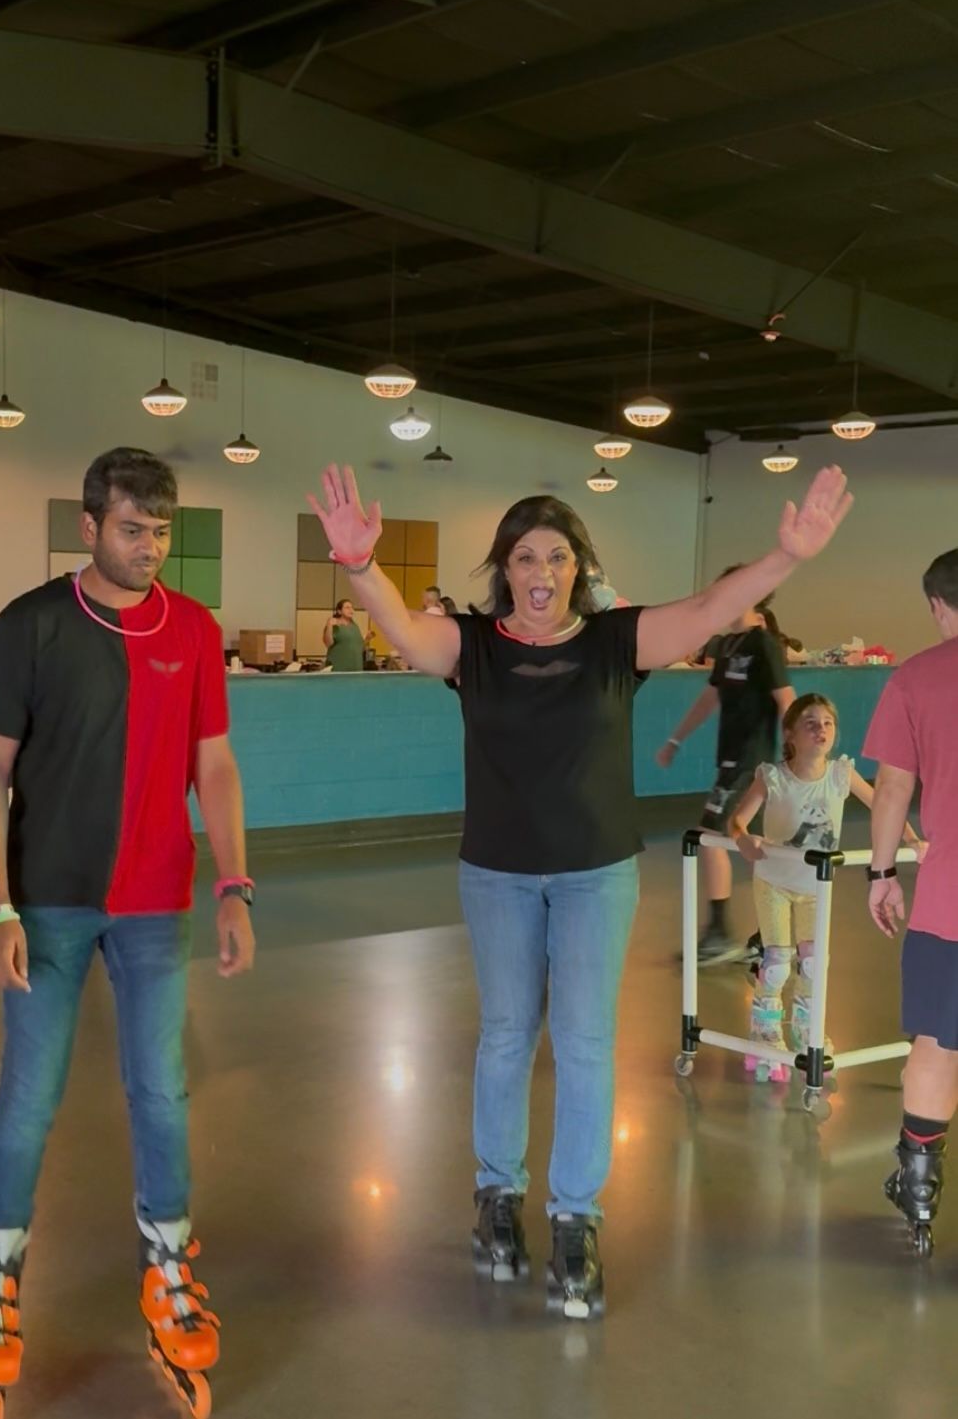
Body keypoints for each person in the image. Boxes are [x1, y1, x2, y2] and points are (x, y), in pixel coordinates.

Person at [307, 461, 852, 1319]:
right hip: (497, 873)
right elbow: (405, 632)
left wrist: (786, 556)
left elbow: (709, 612)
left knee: (587, 1040)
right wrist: (359, 568)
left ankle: (574, 1218)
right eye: (524, 557)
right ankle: (496, 1198)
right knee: (505, 1034)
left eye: (557, 557)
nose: (540, 573)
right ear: (505, 571)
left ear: (578, 569)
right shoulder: (472, 646)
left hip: (595, 871)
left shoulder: (614, 640)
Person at [0, 448, 255, 1419]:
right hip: (45, 903)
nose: (149, 548)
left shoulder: (195, 630)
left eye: (161, 531)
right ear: (87, 526)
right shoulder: (34, 627)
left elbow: (214, 765)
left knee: (161, 1092)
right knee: (30, 1098)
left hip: (154, 904)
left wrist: (234, 883)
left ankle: (166, 1268)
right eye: (132, 529)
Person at [729, 694, 926, 1081]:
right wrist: (743, 839)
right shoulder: (773, 777)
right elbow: (737, 822)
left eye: (827, 723)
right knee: (777, 964)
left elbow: (884, 803)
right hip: (774, 883)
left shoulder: (840, 775)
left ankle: (806, 1028)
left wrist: (912, 839)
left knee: (814, 963)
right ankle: (765, 1032)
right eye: (810, 723)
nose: (821, 730)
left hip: (816, 888)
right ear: (790, 734)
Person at [863, 547, 958, 1256]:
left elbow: (893, 788)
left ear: (937, 605)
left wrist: (882, 871)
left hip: (949, 903)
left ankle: (920, 1190)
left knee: (935, 1043)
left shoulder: (916, 678)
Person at [656, 570, 796, 965]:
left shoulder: (763, 644)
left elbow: (787, 699)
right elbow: (710, 697)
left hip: (751, 761)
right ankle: (764, 932)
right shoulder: (728, 644)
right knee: (740, 842)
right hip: (729, 759)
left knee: (710, 835)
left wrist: (797, 754)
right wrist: (675, 739)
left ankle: (720, 935)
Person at [322, 597, 366, 672]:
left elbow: (360, 647)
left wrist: (367, 639)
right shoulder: (334, 624)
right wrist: (329, 626)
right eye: (347, 607)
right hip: (339, 669)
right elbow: (328, 643)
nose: (351, 610)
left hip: (356, 669)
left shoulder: (354, 626)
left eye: (352, 607)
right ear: (339, 611)